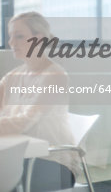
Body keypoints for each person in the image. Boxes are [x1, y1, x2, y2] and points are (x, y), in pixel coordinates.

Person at [0, 11, 80, 190]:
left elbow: (26, 121)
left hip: (52, 162)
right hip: (21, 157)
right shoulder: (12, 77)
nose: (11, 42)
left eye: (19, 36)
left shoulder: (55, 76)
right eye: (10, 36)